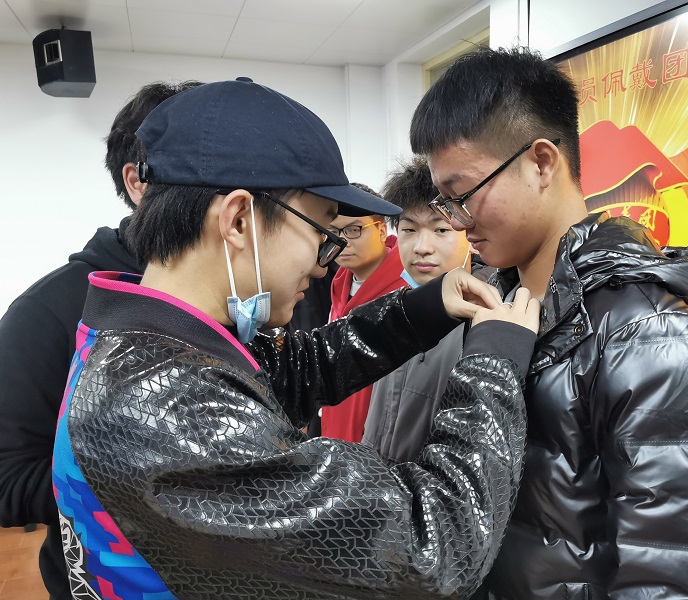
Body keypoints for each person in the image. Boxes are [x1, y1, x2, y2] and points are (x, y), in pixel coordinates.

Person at [52, 77, 542, 600]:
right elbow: (432, 549)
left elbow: (298, 370)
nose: (323, 262)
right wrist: (494, 363)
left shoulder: (154, 343)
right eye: (322, 232)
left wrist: (424, 308)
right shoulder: (170, 411)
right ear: (239, 220)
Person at [409, 47, 688, 600]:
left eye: (464, 195)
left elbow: (681, 575)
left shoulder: (651, 338)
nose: (457, 221)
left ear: (541, 163)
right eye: (445, 201)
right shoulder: (497, 302)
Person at [0, 80, 201, 599]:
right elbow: (7, 479)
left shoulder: (238, 300)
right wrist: (153, 482)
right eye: (204, 171)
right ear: (138, 181)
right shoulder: (46, 312)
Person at [362, 157, 492, 463]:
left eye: (441, 230)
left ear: (469, 233)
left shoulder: (484, 320)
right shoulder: (395, 308)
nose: (422, 247)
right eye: (409, 229)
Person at [319, 183, 406, 442]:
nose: (342, 241)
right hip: (335, 433)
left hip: (373, 443)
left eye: (354, 230)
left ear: (382, 230)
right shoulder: (339, 285)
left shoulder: (405, 291)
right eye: (333, 231)